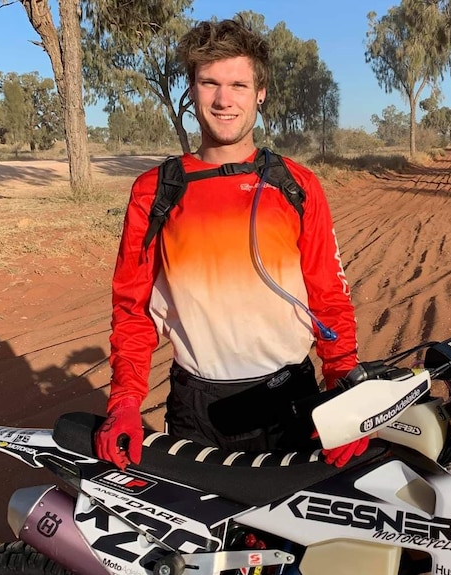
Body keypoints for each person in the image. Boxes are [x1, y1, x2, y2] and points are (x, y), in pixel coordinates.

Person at [94, 17, 366, 471]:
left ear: (260, 92)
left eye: (239, 84)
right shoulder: (155, 191)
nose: (224, 100)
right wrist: (124, 399)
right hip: (196, 406)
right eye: (209, 83)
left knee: (300, 538)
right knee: (204, 541)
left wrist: (343, 383)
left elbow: (329, 295)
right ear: (192, 88)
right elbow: (133, 310)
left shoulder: (296, 186)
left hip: (288, 401)